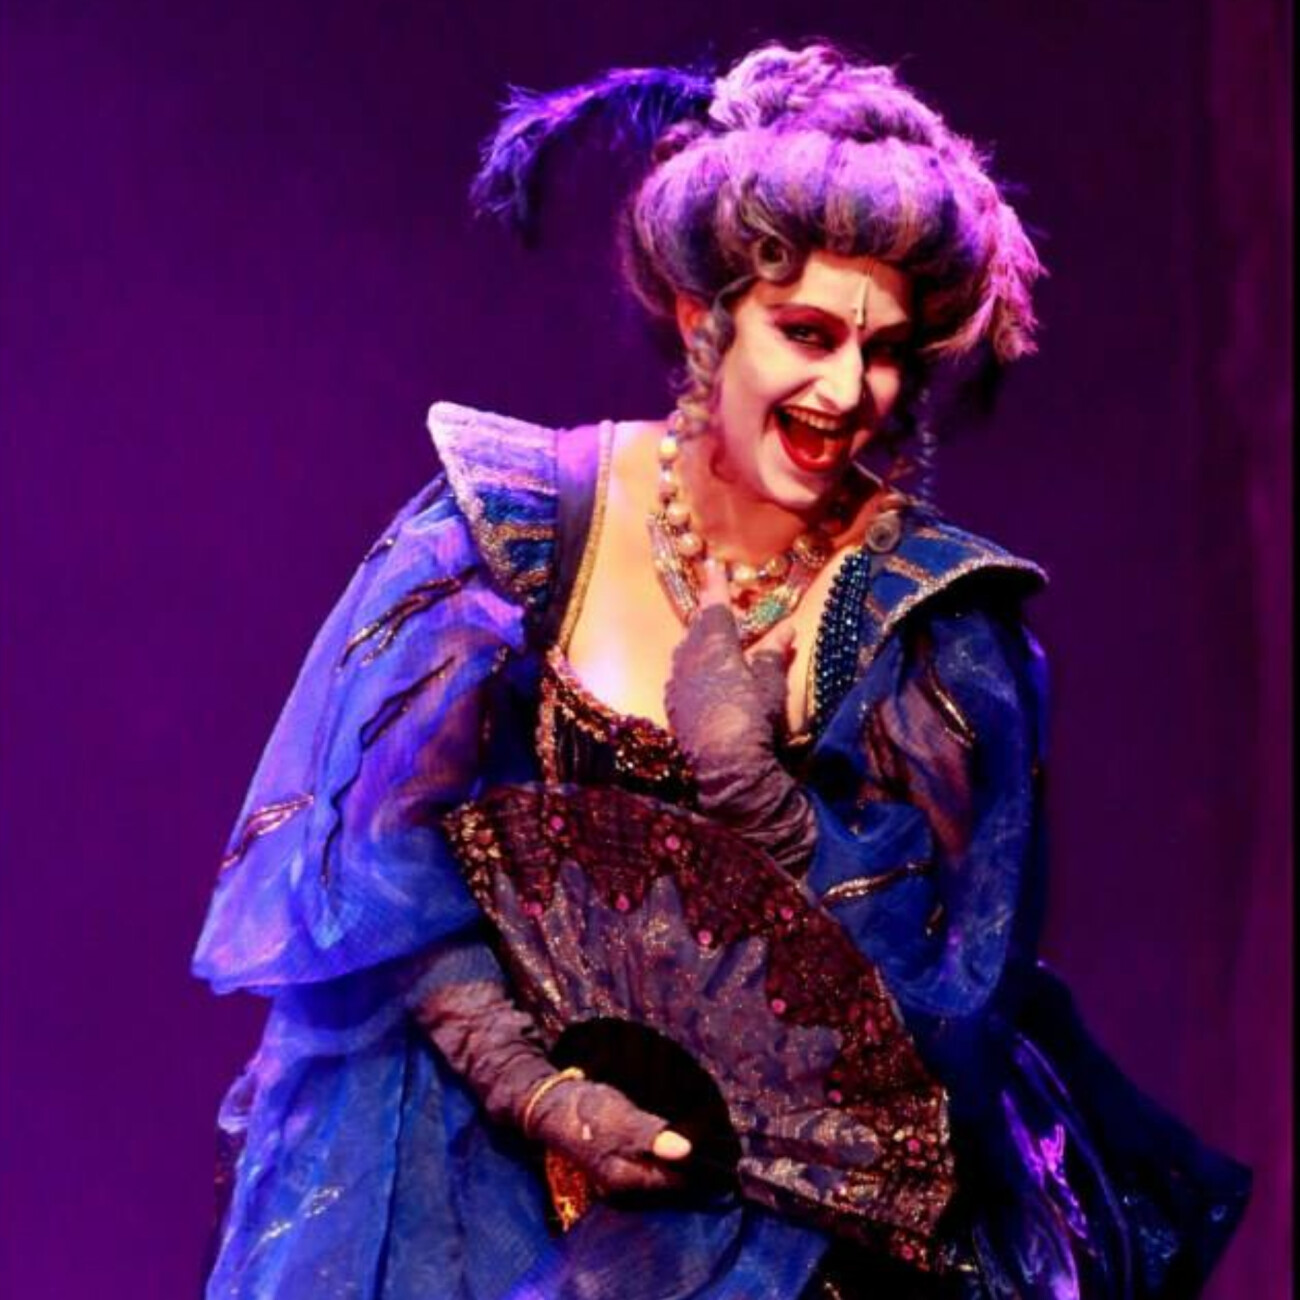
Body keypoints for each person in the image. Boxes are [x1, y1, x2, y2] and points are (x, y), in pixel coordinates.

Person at [194, 41, 1250, 1299]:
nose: (848, 390)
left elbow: (946, 998)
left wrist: (761, 795)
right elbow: (382, 867)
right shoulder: (519, 533)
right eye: (806, 333)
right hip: (486, 1166)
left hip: (806, 1231)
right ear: (704, 320)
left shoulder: (929, 623)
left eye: (886, 351)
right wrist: (534, 1086)